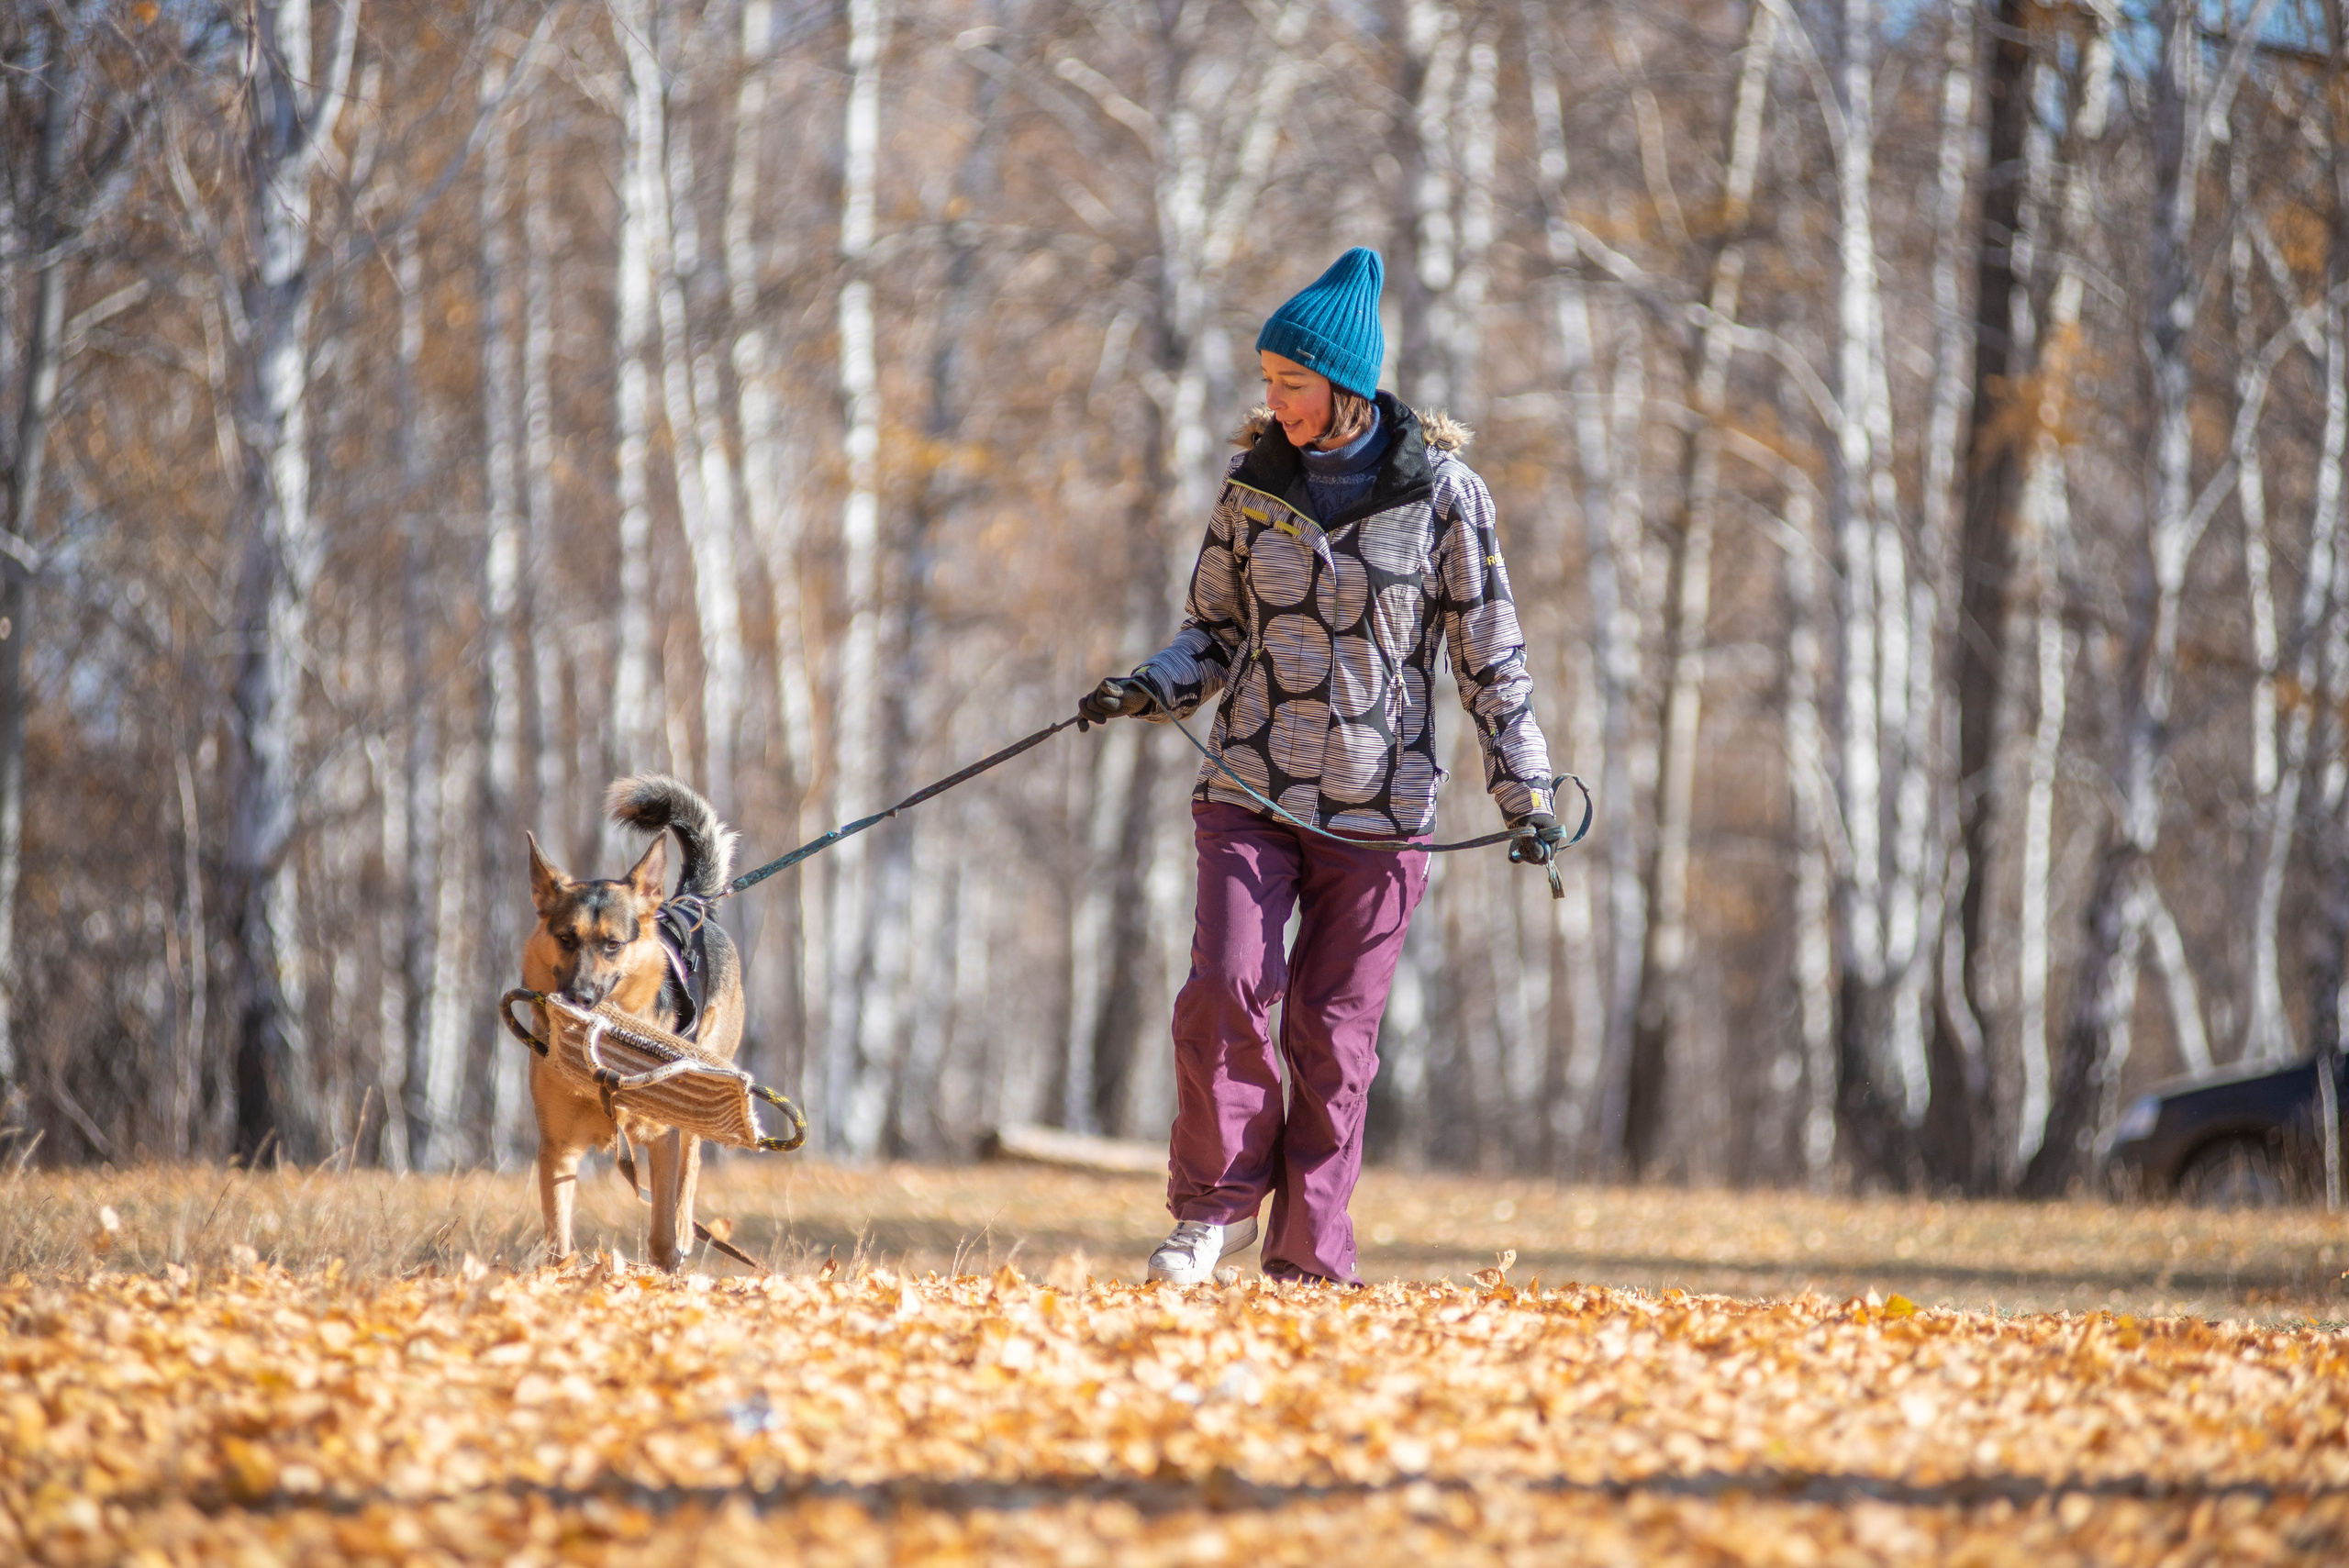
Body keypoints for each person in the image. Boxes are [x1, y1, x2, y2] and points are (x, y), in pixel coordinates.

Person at [1077, 248, 1566, 1286]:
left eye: (1289, 384)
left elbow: (1492, 655)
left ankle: (1308, 1257)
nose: (1272, 402)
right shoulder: (1255, 486)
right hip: (1250, 787)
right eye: (1266, 383)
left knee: (1334, 1042)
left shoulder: (1443, 495)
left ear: (1345, 386)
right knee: (1223, 988)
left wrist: (1526, 793)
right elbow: (1207, 629)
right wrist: (1151, 685)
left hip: (1380, 815)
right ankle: (1211, 1212)